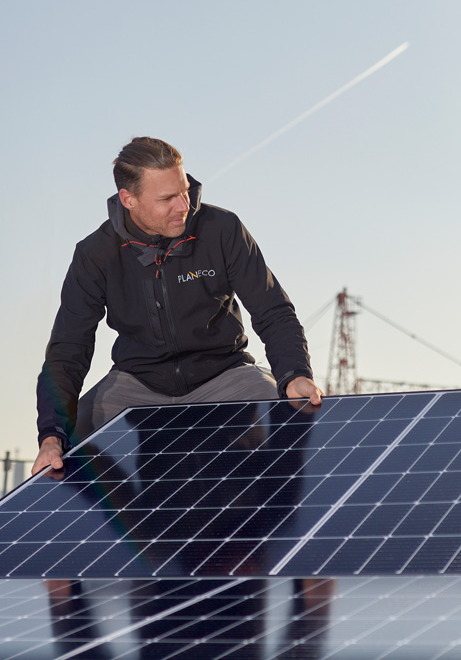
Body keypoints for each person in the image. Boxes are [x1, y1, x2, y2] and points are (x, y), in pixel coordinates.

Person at [33, 136, 323, 475]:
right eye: (167, 198)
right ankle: (131, 507)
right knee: (69, 442)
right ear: (129, 199)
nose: (183, 205)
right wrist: (51, 435)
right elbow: (69, 347)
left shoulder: (222, 229)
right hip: (137, 382)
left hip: (225, 375)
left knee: (289, 412)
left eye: (184, 191)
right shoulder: (95, 255)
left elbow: (273, 310)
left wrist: (295, 374)